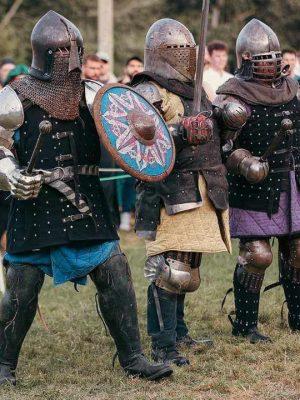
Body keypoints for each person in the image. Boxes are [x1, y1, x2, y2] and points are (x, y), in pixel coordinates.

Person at [0, 10, 173, 385]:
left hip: (87, 203)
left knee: (115, 271)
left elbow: (132, 132)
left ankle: (134, 359)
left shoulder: (95, 94)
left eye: (75, 51)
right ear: (45, 54)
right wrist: (11, 174)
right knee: (21, 288)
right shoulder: (14, 97)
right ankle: (3, 366)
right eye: (64, 53)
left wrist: (153, 129)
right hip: (36, 206)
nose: (72, 61)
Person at [132, 18, 231, 366]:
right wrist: (180, 130)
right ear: (162, 53)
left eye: (189, 50)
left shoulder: (193, 87)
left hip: (200, 184)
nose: (188, 56)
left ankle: (179, 331)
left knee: (188, 264)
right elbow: (137, 143)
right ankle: (162, 344)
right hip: (168, 189)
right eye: (180, 50)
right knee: (169, 269)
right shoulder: (148, 89)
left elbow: (208, 128)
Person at [214, 18, 300, 343]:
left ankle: (298, 316)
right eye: (265, 58)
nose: (272, 63)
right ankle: (246, 325)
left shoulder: (292, 89)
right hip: (254, 187)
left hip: (291, 181)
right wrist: (243, 160)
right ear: (247, 60)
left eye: (275, 57)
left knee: (298, 251)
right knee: (258, 255)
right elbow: (222, 147)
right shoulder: (233, 97)